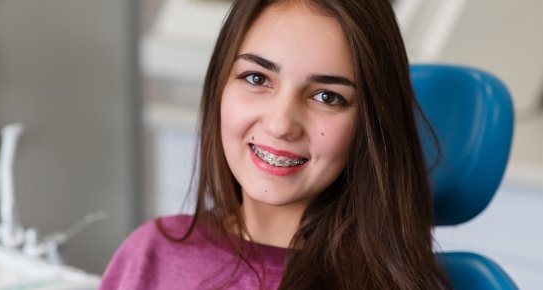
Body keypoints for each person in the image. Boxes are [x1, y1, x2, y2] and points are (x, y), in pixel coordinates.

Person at [100, 0, 450, 289]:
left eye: (327, 96)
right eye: (257, 78)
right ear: (219, 86)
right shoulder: (152, 252)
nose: (281, 124)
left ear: (370, 125)